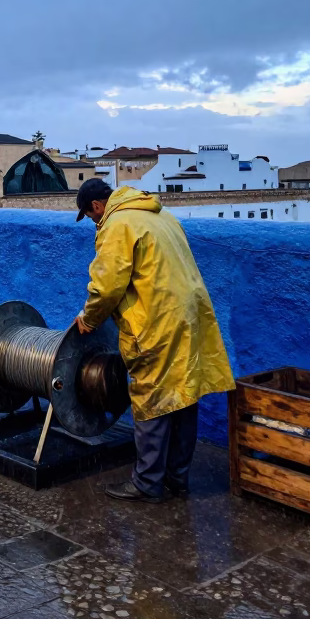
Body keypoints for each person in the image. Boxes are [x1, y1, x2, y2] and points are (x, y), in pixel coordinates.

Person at [73, 178, 234, 503]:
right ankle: (177, 477)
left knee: (152, 397)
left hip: (158, 319)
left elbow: (107, 287)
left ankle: (147, 482)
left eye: (91, 217)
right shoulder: (160, 215)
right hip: (189, 316)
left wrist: (89, 320)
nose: (94, 222)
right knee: (183, 394)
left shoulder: (117, 224)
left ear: (96, 206)